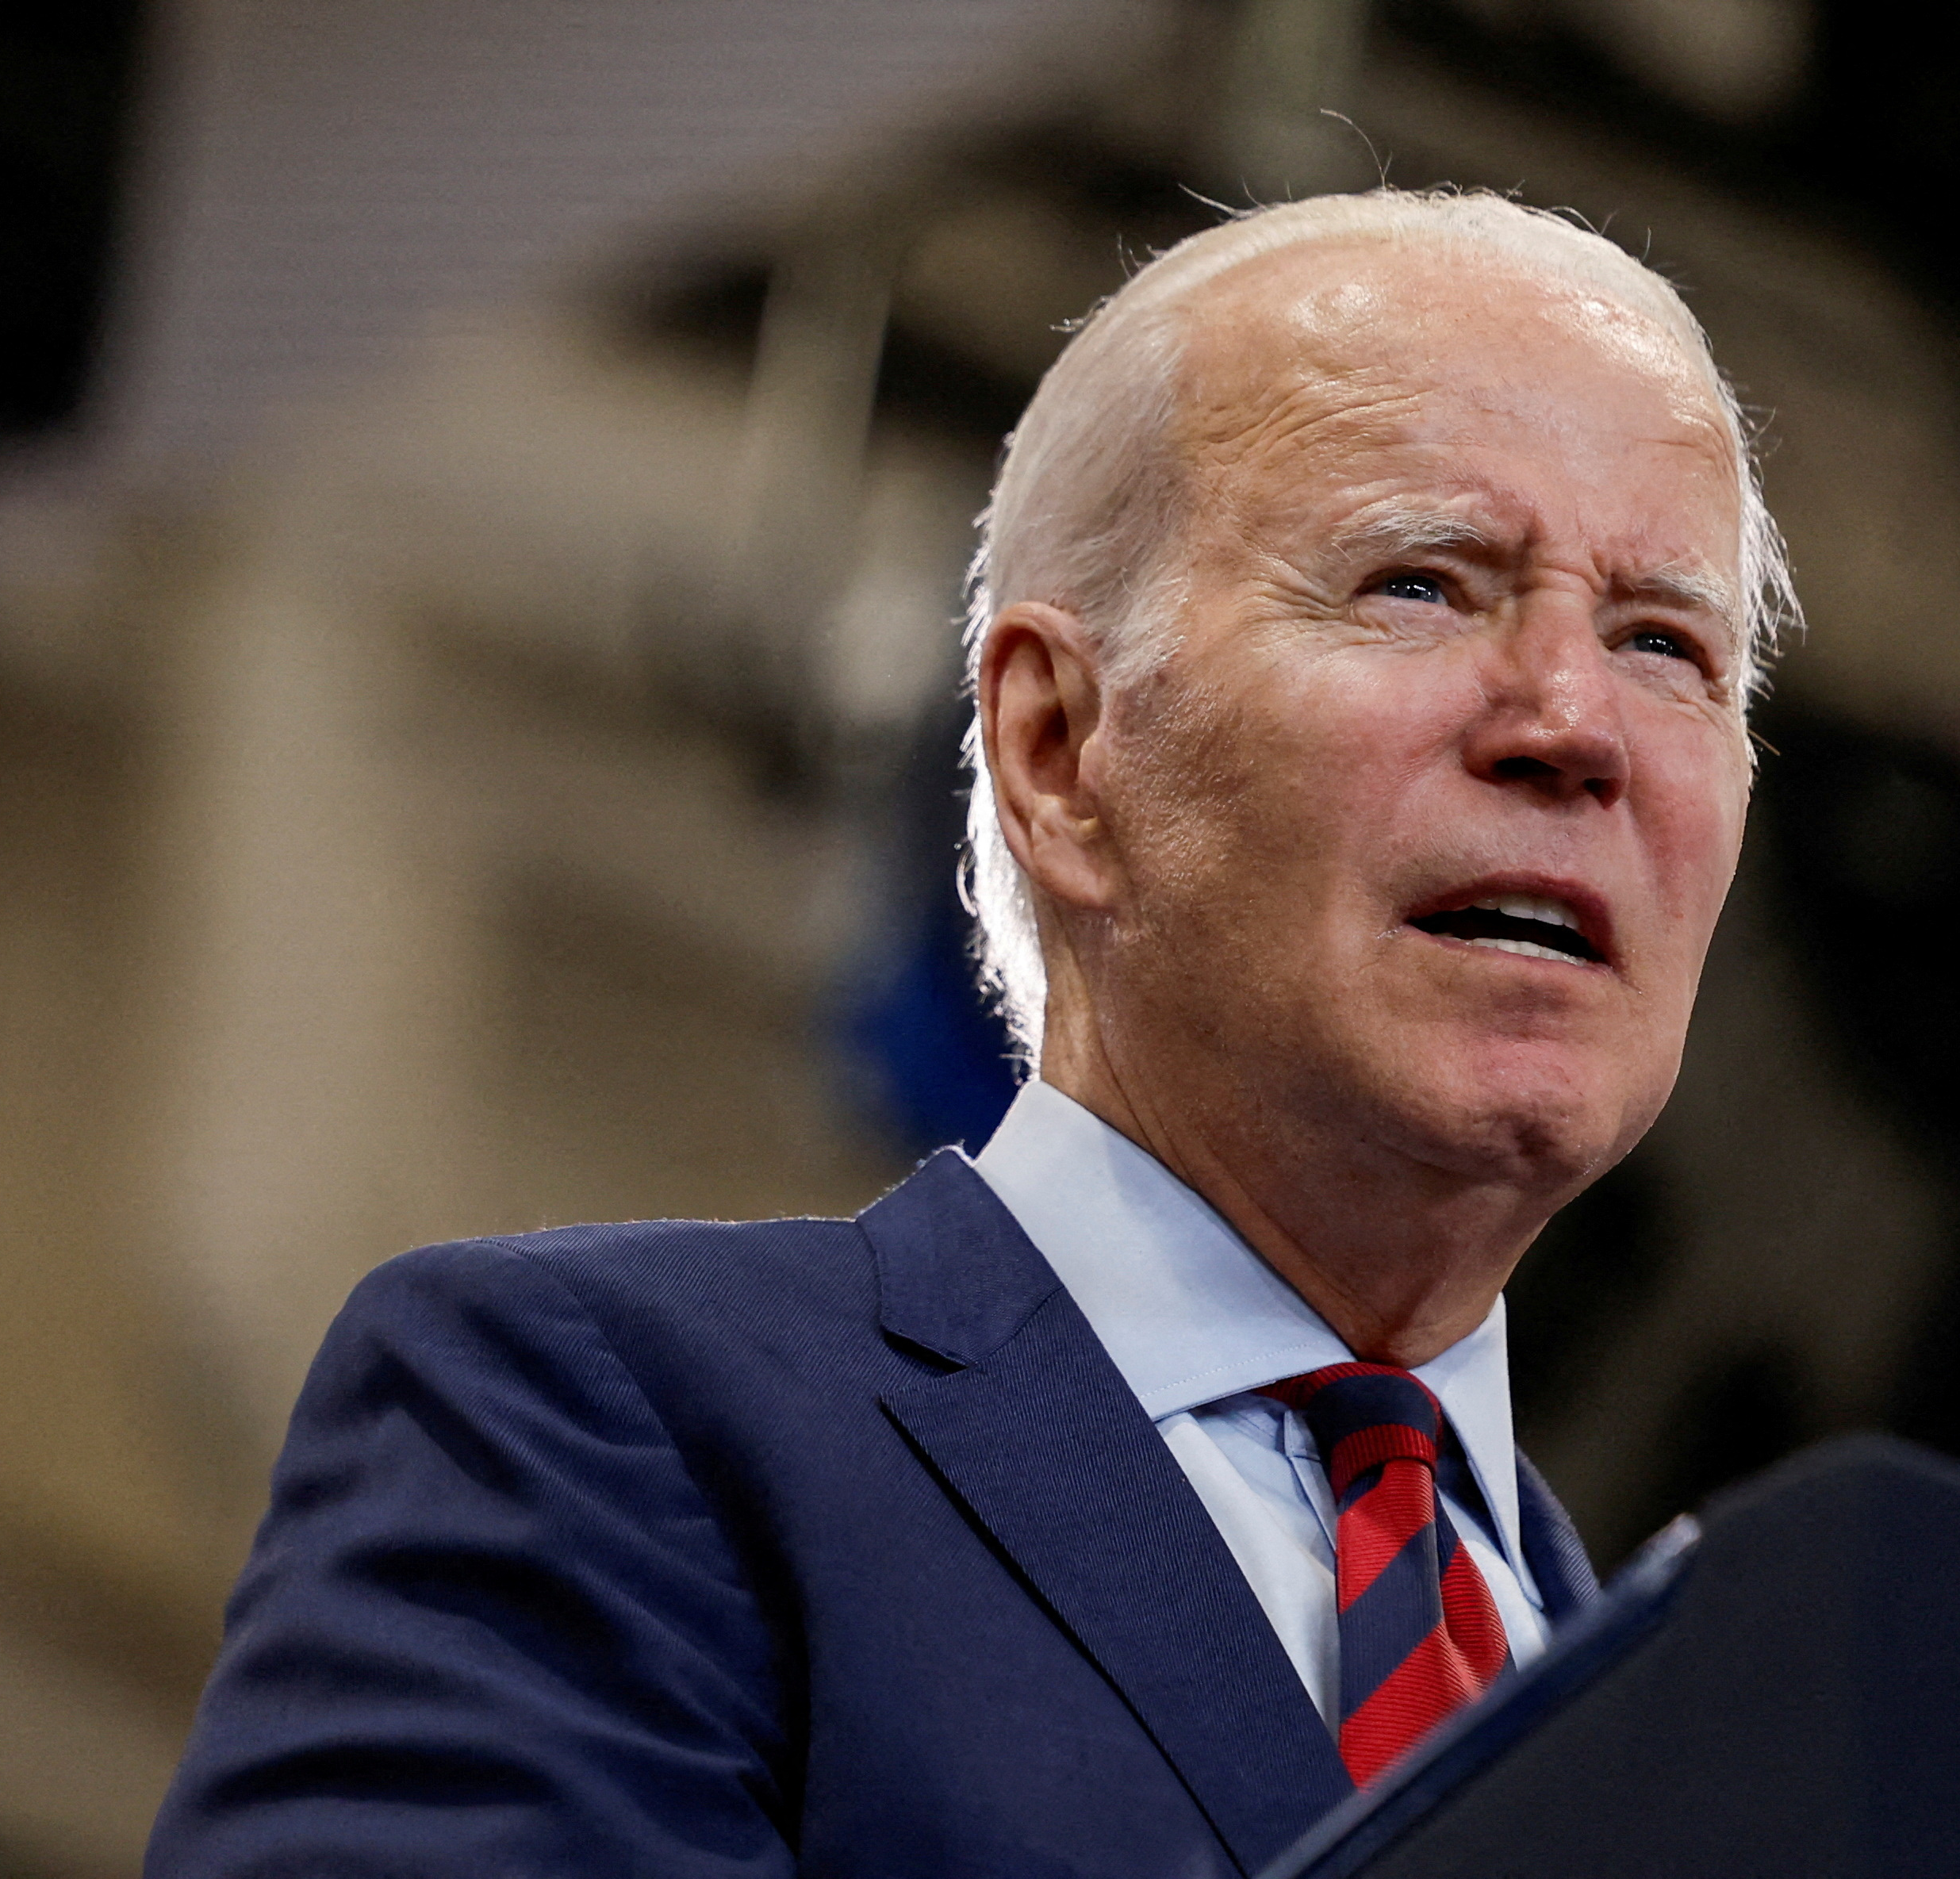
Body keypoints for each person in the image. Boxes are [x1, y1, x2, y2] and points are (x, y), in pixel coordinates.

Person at [145, 188, 1793, 1878]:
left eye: (1666, 643)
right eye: (1423, 584)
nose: (1575, 723)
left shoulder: (1738, 1762)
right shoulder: (606, 1427)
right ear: (1061, 748)